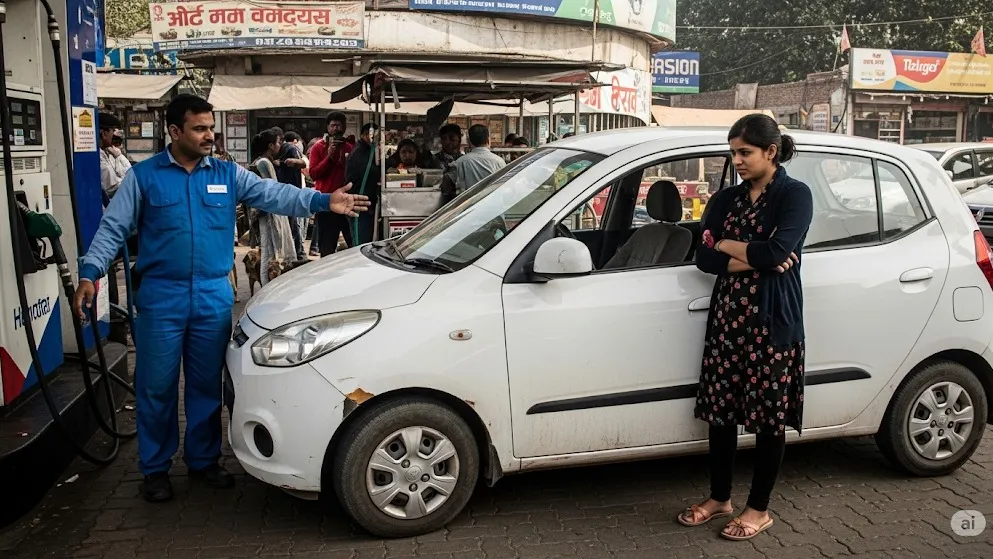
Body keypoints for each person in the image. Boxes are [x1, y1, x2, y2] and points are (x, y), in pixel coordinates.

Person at [71, 94, 370, 503]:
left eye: (211, 127)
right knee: (155, 388)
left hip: (213, 295)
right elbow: (112, 229)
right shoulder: (143, 177)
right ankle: (155, 469)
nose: (209, 135)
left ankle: (203, 462)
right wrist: (90, 273)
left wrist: (322, 200)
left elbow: (274, 194)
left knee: (206, 385)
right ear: (174, 132)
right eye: (199, 128)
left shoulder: (229, 174)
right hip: (161, 297)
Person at [679, 113, 813, 541]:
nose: (737, 159)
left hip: (773, 321)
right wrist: (744, 254)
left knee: (768, 418)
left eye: (745, 152)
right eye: (733, 152)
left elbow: (778, 249)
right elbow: (703, 257)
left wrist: (726, 245)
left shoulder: (795, 196)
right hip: (729, 319)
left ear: (770, 152)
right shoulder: (725, 200)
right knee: (721, 413)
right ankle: (720, 498)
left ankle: (759, 508)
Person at [250, 130, 297, 285]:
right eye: (278, 142)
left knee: (269, 252)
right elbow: (269, 189)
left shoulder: (262, 161)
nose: (280, 145)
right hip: (267, 213)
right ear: (271, 146)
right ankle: (266, 288)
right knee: (269, 253)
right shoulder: (264, 163)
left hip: (265, 211)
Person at [309, 112, 355, 257]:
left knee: (354, 245)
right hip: (327, 203)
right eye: (333, 125)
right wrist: (329, 156)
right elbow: (314, 174)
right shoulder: (318, 148)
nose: (336, 128)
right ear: (327, 127)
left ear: (345, 126)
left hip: (348, 202)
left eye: (339, 125)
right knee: (327, 248)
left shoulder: (350, 147)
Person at [274, 131, 308, 261]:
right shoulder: (278, 153)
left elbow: (303, 163)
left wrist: (293, 161)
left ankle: (299, 253)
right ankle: (294, 252)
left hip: (293, 192)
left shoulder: (290, 149)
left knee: (294, 224)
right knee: (289, 224)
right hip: (283, 192)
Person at [345, 123, 381, 245]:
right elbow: (371, 172)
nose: (375, 139)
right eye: (371, 136)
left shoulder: (370, 151)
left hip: (367, 204)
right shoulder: (359, 153)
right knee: (361, 244)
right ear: (363, 135)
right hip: (359, 205)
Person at [454, 124, 506, 195]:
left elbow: (458, 189)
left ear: (469, 141)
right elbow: (503, 186)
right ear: (488, 140)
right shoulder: (499, 161)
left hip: (468, 204)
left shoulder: (460, 162)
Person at [98, 113, 131, 198]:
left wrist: (119, 156)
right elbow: (114, 188)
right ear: (104, 134)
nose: (113, 135)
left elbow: (128, 172)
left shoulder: (107, 153)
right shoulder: (99, 156)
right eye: (112, 131)